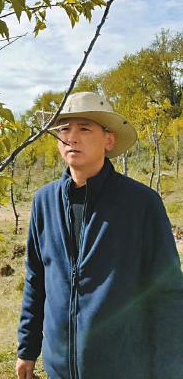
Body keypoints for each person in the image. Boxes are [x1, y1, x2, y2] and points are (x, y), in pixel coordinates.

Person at [16, 92, 183, 379]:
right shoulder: (44, 201)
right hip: (59, 369)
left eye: (84, 128)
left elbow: (167, 292)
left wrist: (170, 370)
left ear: (109, 140)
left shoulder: (141, 203)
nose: (71, 137)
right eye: (64, 129)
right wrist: (27, 349)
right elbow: (36, 279)